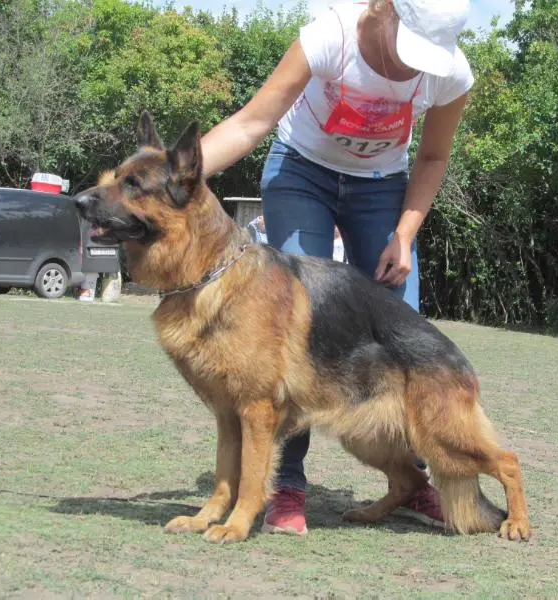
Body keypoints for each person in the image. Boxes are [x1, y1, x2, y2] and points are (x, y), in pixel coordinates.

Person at [199, 0, 474, 535]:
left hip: (381, 188)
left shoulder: (451, 74)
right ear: (384, 10)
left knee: (405, 329)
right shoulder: (330, 37)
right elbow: (252, 122)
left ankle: (413, 482)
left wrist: (405, 233)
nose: (413, 68)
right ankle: (286, 487)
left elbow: (434, 157)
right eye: (409, 49)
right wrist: (176, 177)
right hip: (302, 172)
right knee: (295, 332)